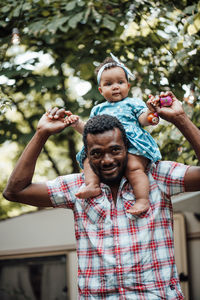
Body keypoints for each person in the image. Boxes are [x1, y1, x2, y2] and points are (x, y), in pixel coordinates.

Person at [3, 91, 200, 299]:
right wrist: (41, 133)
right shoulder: (78, 188)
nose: (107, 160)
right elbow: (15, 191)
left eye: (115, 150)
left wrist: (180, 119)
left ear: (127, 147)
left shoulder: (157, 176)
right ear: (86, 155)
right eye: (96, 153)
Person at [63, 54, 162, 215]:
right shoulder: (98, 109)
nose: (115, 87)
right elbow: (90, 132)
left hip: (132, 144)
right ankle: (92, 185)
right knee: (88, 160)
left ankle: (142, 200)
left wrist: (151, 114)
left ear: (128, 86)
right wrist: (77, 124)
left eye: (120, 82)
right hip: (104, 146)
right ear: (101, 90)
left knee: (134, 168)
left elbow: (143, 118)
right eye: (109, 84)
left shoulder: (133, 103)